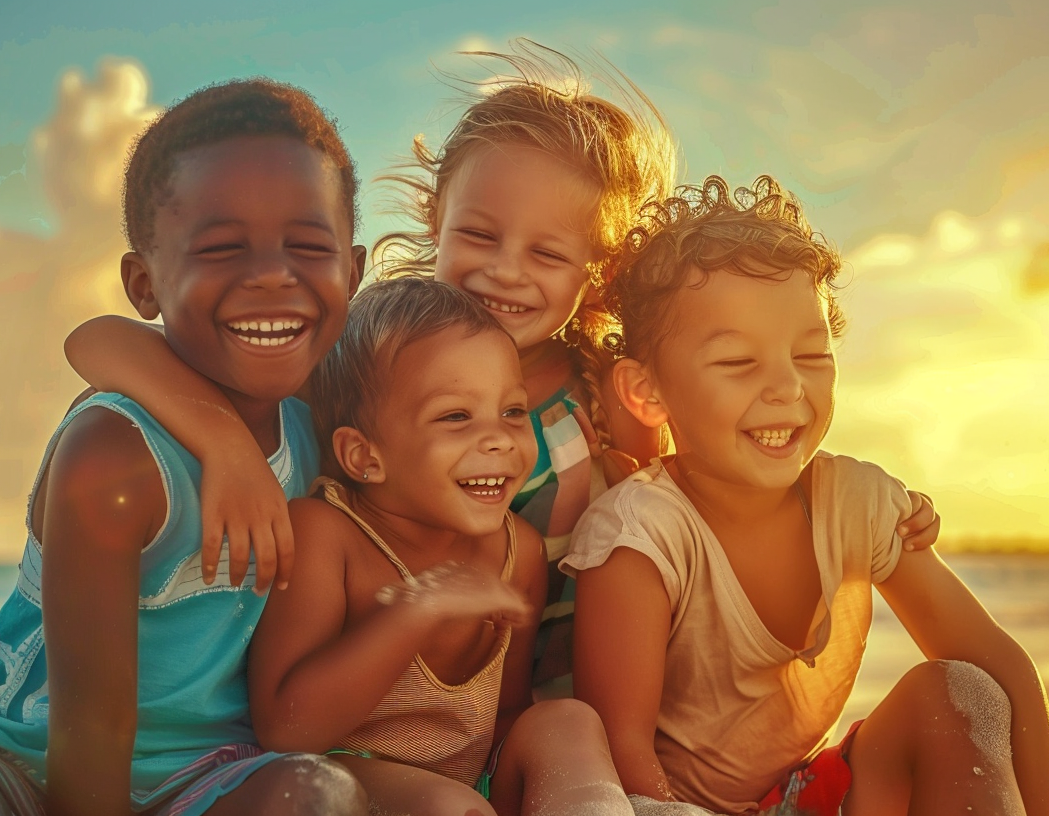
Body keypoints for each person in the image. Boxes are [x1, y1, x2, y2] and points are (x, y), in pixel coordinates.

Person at [59, 42, 940, 692]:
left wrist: (869, 511)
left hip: (550, 689)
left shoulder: (603, 393)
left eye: (548, 255)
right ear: (436, 215)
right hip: (372, 683)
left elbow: (727, 472)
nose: (505, 270)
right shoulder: (374, 348)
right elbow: (98, 342)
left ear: (595, 269)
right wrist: (219, 440)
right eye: (478, 235)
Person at [0, 79, 369, 816]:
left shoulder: (322, 423)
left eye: (307, 245)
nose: (272, 272)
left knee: (321, 797)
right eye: (220, 247)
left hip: (213, 775)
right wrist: (221, 444)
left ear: (354, 273)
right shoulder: (115, 454)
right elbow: (91, 727)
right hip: (25, 759)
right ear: (145, 284)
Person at [566, 176, 1049, 816]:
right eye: (738, 363)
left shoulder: (856, 502)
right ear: (647, 392)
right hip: (671, 809)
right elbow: (619, 759)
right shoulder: (639, 535)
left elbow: (1003, 669)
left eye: (810, 354)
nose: (786, 388)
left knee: (964, 694)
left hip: (807, 796)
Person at [248, 276, 631, 816]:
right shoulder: (328, 534)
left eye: (513, 411)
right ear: (364, 457)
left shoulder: (516, 552)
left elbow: (506, 713)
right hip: (346, 781)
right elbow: (284, 730)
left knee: (566, 720)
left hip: (471, 785)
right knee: (447, 805)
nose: (499, 438)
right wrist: (416, 609)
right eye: (456, 416)